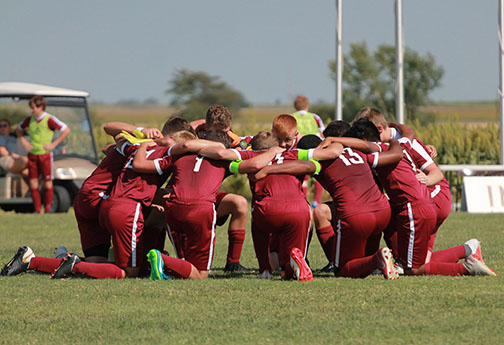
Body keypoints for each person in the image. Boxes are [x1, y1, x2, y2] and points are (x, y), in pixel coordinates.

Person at [135, 131, 283, 280]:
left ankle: (160, 263)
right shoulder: (225, 159)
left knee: (187, 266)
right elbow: (254, 164)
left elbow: (141, 166)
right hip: (201, 209)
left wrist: (143, 147)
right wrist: (273, 151)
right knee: (200, 275)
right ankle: (163, 260)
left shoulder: (179, 155)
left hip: (174, 207)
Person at [193, 105, 252, 273]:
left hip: (209, 195)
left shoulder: (231, 142)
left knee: (239, 203)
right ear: (207, 127)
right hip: (187, 196)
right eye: (219, 131)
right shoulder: (190, 138)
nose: (223, 136)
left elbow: (245, 149)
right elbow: (174, 132)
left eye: (226, 131)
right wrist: (197, 125)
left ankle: (233, 263)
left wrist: (232, 138)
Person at [16, 96, 71, 213]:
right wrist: (25, 142)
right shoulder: (29, 120)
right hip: (32, 155)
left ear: (41, 107)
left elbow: (66, 130)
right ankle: (37, 209)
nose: (31, 110)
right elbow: (18, 129)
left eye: (33, 108)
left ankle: (47, 208)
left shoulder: (49, 119)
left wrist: (53, 144)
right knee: (33, 182)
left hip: (45, 155)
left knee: (47, 182)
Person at [292, 95, 325, 209]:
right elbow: (322, 132)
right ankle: (317, 201)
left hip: (299, 149)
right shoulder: (314, 117)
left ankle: (303, 200)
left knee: (303, 175)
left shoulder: (292, 117)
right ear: (307, 105)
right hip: (314, 148)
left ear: (295, 106)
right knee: (318, 172)